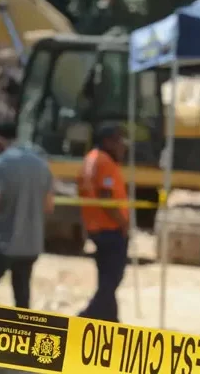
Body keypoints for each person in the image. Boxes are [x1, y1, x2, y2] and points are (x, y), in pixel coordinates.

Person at [0, 120, 54, 307]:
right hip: (31, 245)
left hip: (3, 244)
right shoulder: (41, 164)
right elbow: (48, 207)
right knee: (22, 300)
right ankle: (22, 334)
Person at [77, 123, 129, 322]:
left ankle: (109, 319)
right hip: (110, 228)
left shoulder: (90, 159)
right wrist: (122, 222)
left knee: (107, 279)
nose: (122, 146)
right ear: (107, 141)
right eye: (118, 141)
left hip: (96, 227)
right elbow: (105, 196)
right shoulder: (104, 162)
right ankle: (89, 315)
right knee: (111, 280)